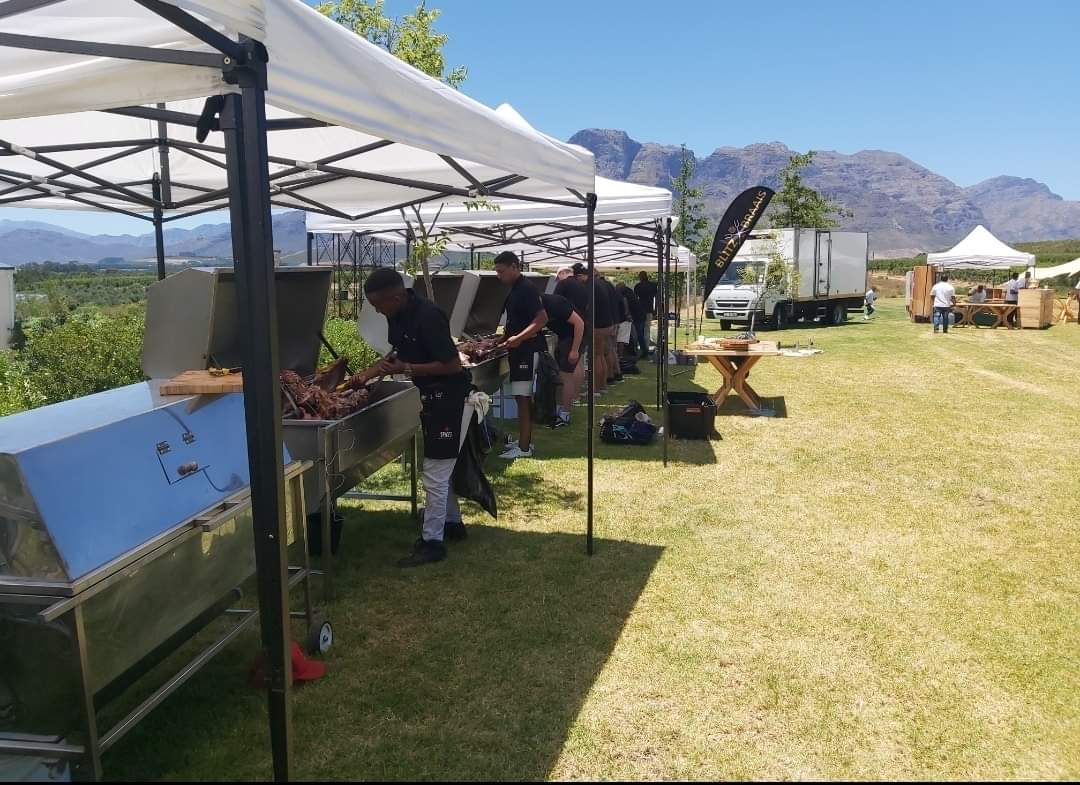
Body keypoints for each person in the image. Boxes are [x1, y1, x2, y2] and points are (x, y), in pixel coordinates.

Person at [356, 268, 469, 567]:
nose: (377, 311)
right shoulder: (396, 314)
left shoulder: (429, 316)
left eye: (378, 305)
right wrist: (367, 374)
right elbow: (397, 353)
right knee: (440, 468)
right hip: (430, 396)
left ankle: (432, 543)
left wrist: (406, 369)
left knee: (435, 470)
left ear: (395, 297)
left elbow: (452, 366)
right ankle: (452, 523)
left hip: (448, 397)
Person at [494, 251, 547, 459]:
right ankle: (524, 441)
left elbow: (541, 319)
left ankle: (524, 448)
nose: (498, 275)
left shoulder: (526, 288)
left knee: (523, 398)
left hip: (527, 351)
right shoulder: (515, 289)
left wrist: (519, 338)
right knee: (519, 396)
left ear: (515, 267)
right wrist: (500, 339)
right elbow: (515, 323)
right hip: (519, 350)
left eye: (501, 271)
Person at [540, 292, 584, 427]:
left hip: (574, 336)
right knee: (560, 375)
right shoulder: (539, 306)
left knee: (566, 376)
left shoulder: (555, 303)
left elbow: (579, 323)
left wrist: (575, 350)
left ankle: (565, 414)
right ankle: (559, 410)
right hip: (564, 336)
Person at [572, 262, 614, 396]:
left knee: (595, 357)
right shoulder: (598, 283)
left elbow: (587, 307)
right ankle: (602, 386)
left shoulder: (589, 286)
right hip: (606, 324)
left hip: (598, 325)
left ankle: (594, 389)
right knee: (600, 355)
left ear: (580, 276)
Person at [597, 274, 622, 384]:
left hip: (607, 322)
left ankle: (611, 376)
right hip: (613, 321)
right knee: (611, 349)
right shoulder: (610, 286)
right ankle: (616, 373)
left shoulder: (600, 287)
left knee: (606, 351)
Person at [618, 281, 647, 356]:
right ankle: (641, 351)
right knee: (639, 335)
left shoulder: (626, 296)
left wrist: (627, 316)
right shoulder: (630, 293)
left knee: (638, 335)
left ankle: (642, 352)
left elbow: (627, 310)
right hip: (640, 315)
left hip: (637, 317)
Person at [634, 272, 657, 358]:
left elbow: (635, 299)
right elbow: (656, 298)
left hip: (639, 311)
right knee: (647, 330)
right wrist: (655, 309)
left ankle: (639, 349)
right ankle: (646, 348)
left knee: (639, 331)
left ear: (640, 277)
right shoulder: (653, 286)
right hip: (649, 310)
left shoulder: (638, 286)